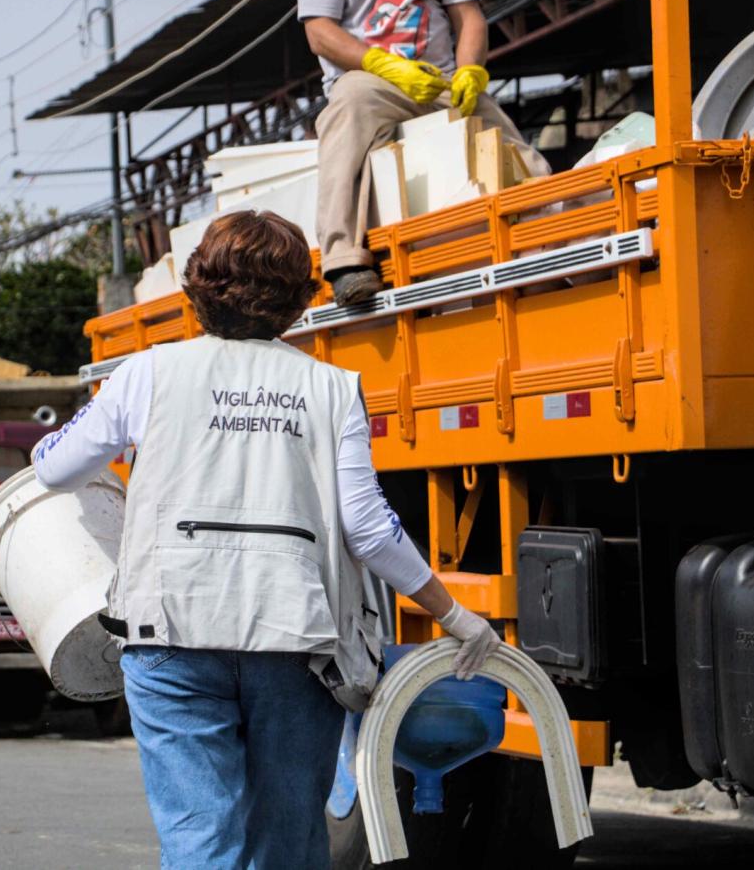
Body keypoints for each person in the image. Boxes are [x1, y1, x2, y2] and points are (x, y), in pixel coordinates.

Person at [33, 210, 499, 868]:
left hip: (170, 632)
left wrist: (51, 438)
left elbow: (57, 467)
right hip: (293, 639)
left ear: (197, 287)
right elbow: (368, 526)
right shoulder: (332, 388)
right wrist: (453, 613)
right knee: (289, 842)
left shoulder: (146, 372)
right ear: (299, 299)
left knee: (201, 842)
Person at [297, 0, 553, 306]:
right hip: (371, 80)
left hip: (440, 82)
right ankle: (344, 258)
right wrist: (379, 63)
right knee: (348, 105)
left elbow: (469, 17)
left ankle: (558, 224)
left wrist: (470, 72)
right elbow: (319, 32)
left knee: (505, 136)